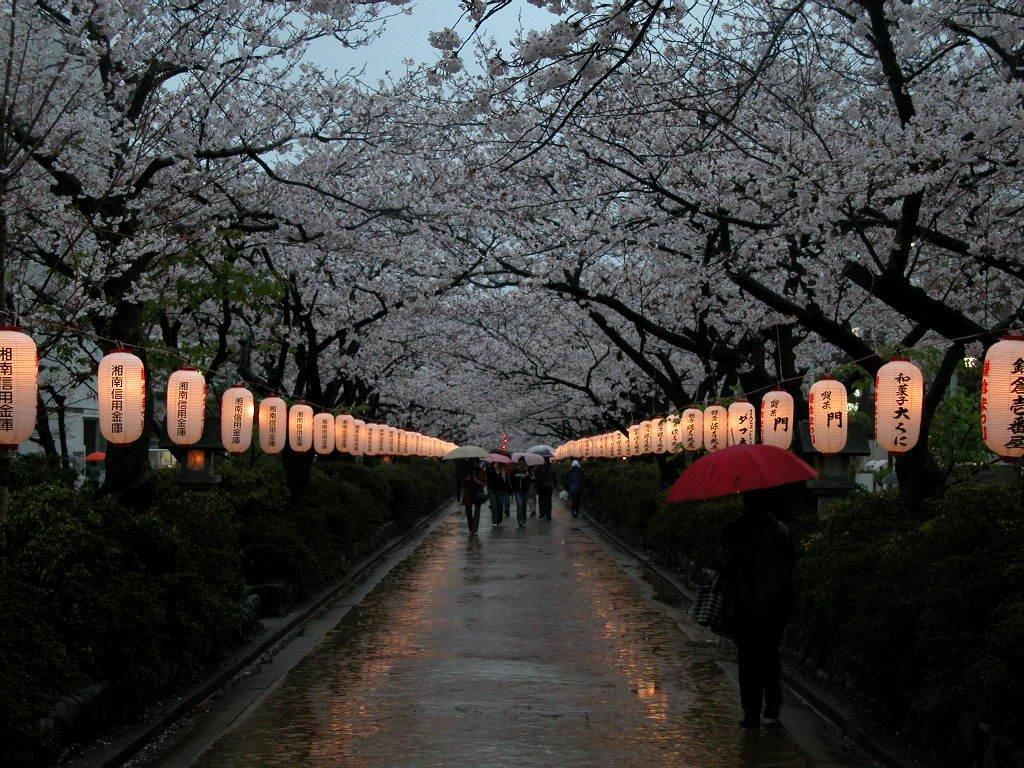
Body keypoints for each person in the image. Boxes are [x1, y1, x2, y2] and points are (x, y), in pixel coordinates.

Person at [718, 486, 795, 729]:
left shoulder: (735, 530)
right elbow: (790, 567)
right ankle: (773, 699)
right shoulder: (781, 532)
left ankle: (751, 712)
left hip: (745, 605)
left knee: (748, 660)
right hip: (774, 606)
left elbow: (725, 564)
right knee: (770, 655)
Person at [460, 462, 487, 535]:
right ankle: (471, 528)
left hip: (478, 493)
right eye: (473, 461)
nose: (475, 463)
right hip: (468, 494)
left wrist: (477, 481)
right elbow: (461, 483)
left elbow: (484, 483)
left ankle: (475, 530)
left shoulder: (481, 471)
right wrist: (466, 480)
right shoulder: (466, 471)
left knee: (477, 512)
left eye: (476, 461)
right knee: (468, 512)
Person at [509, 458, 534, 528]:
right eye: (520, 463)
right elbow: (511, 479)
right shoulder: (514, 472)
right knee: (519, 505)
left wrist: (527, 474)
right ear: (518, 464)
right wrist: (513, 487)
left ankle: (523, 520)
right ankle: (519, 520)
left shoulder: (527, 472)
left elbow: (533, 479)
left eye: (523, 463)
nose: (521, 465)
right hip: (517, 491)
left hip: (525, 491)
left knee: (524, 506)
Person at [485, 461, 510, 527]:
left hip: (500, 490)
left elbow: (505, 482)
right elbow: (488, 478)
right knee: (494, 505)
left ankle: (499, 520)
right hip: (491, 490)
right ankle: (494, 521)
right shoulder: (490, 469)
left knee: (500, 506)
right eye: (496, 463)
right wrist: (493, 470)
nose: (497, 464)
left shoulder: (503, 470)